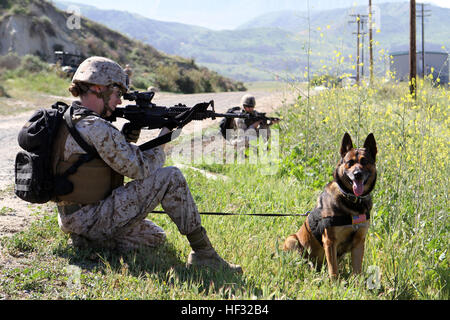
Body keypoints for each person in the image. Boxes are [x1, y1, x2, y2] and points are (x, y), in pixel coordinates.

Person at [53, 56, 241, 272]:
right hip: (92, 217)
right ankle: (204, 255)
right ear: (98, 88)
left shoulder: (68, 116)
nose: (120, 102)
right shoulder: (97, 128)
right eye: (117, 94)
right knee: (170, 177)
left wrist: (126, 139)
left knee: (155, 237)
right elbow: (140, 169)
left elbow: (95, 162)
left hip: (74, 217)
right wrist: (167, 133)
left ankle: (90, 241)